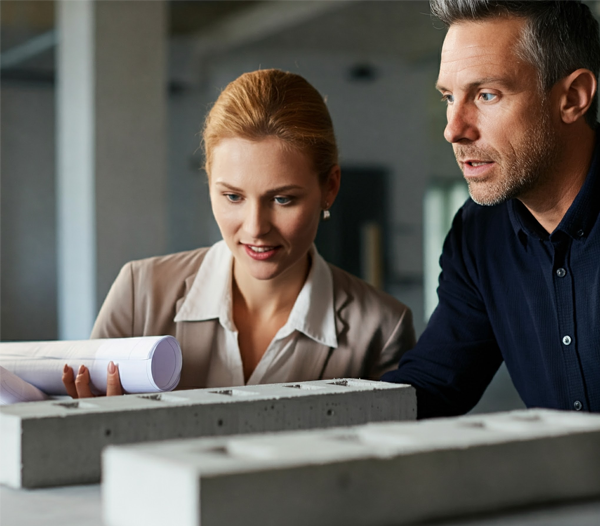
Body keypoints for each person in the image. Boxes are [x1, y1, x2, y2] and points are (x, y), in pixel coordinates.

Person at [64, 69, 415, 398]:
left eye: (282, 199)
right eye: (233, 196)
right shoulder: (139, 294)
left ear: (330, 187)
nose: (255, 228)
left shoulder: (382, 328)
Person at [383, 0, 600, 418]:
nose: (453, 129)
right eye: (449, 96)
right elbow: (433, 384)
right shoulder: (479, 232)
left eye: (486, 94)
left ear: (572, 98)